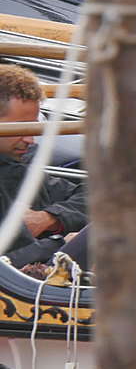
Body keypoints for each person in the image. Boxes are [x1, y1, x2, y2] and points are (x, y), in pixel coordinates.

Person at [0, 65, 87, 267]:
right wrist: (60, 244)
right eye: (21, 127)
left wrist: (49, 218)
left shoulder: (15, 169)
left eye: (32, 126)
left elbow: (95, 197)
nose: (31, 139)